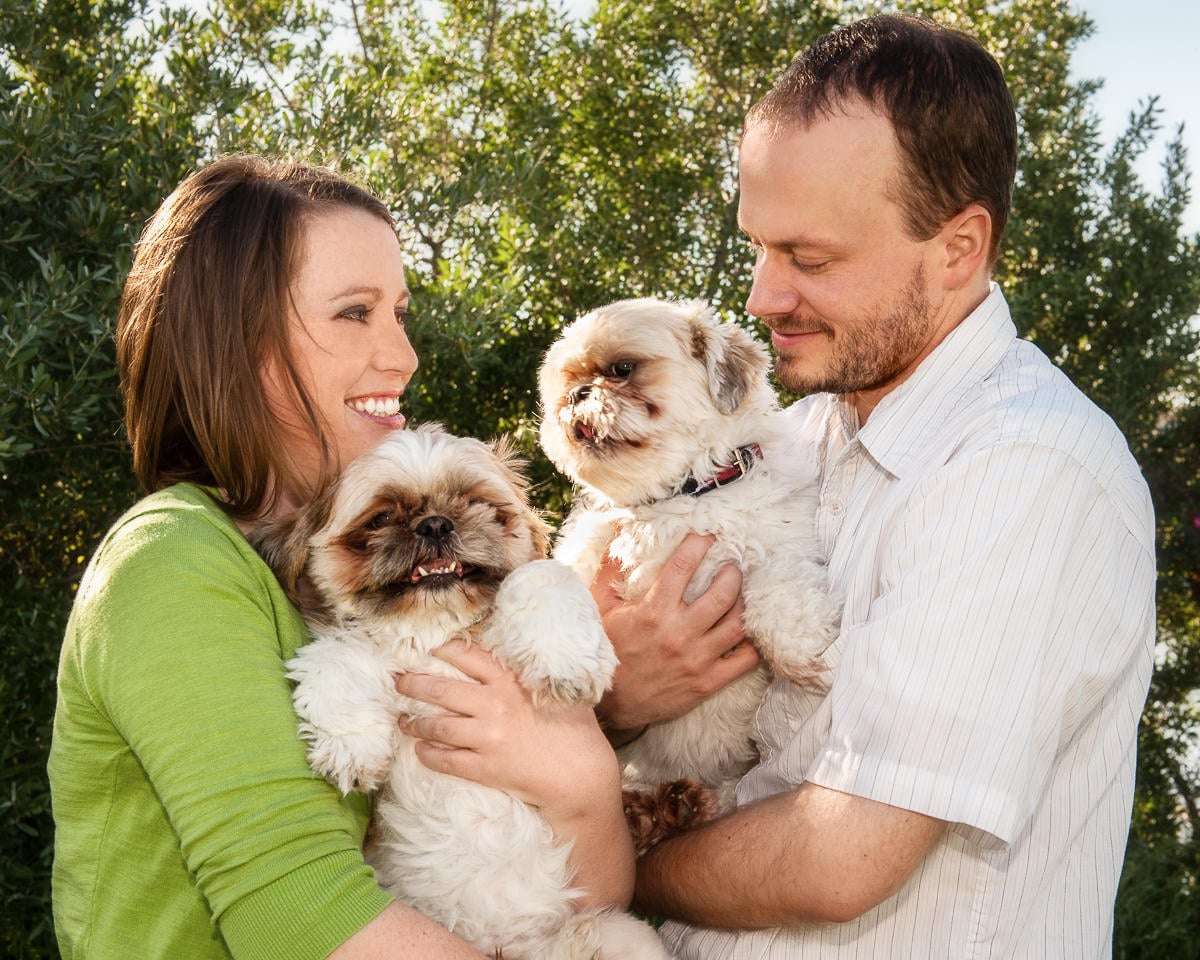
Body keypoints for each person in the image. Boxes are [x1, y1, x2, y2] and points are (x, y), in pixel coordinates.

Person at [581, 14, 1157, 958]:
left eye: (810, 259)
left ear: (959, 249)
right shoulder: (786, 442)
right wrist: (616, 699)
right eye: (759, 247)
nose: (763, 296)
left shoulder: (1025, 469)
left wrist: (605, 853)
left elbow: (839, 860)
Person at [47, 154, 633, 960]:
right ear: (234, 345)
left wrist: (587, 787)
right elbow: (298, 915)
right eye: (355, 313)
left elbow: (589, 898)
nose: (403, 355)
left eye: (400, 313)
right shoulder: (170, 563)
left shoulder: (361, 581)